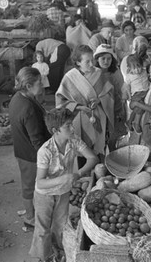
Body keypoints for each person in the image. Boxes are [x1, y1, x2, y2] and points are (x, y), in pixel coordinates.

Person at [29, 108, 98, 261]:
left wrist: (78, 174)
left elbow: (92, 158)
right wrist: (62, 179)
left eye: (71, 124)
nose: (72, 128)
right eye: (68, 126)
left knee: (60, 225)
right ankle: (43, 257)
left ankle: (58, 251)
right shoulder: (45, 151)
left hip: (63, 192)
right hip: (44, 194)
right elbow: (40, 182)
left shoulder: (74, 141)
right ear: (55, 130)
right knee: (42, 229)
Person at [56, 45, 115, 160]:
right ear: (78, 62)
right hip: (78, 120)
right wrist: (78, 107)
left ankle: (98, 175)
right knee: (82, 152)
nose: (92, 64)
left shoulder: (99, 73)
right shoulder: (69, 78)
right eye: (87, 62)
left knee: (99, 151)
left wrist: (100, 99)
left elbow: (109, 93)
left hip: (98, 116)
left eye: (92, 60)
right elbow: (60, 101)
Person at [9, 67, 51, 227]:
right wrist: (49, 156)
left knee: (30, 184)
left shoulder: (18, 98)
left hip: (22, 149)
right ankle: (30, 217)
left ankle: (31, 212)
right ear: (28, 85)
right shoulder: (28, 109)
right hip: (30, 155)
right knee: (29, 186)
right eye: (39, 83)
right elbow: (36, 140)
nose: (42, 85)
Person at [93, 44, 125, 149]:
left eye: (109, 58)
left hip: (115, 109)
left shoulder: (116, 73)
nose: (106, 61)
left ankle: (112, 155)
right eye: (103, 58)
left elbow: (121, 91)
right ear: (97, 59)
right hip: (99, 110)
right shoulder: (93, 74)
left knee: (112, 136)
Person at [122, 54, 150, 133]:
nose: (137, 70)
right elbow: (126, 87)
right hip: (136, 95)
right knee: (140, 108)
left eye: (139, 66)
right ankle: (136, 124)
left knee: (137, 109)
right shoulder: (129, 76)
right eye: (134, 68)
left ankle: (129, 122)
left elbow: (148, 63)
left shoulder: (144, 71)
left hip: (146, 92)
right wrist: (128, 96)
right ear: (129, 68)